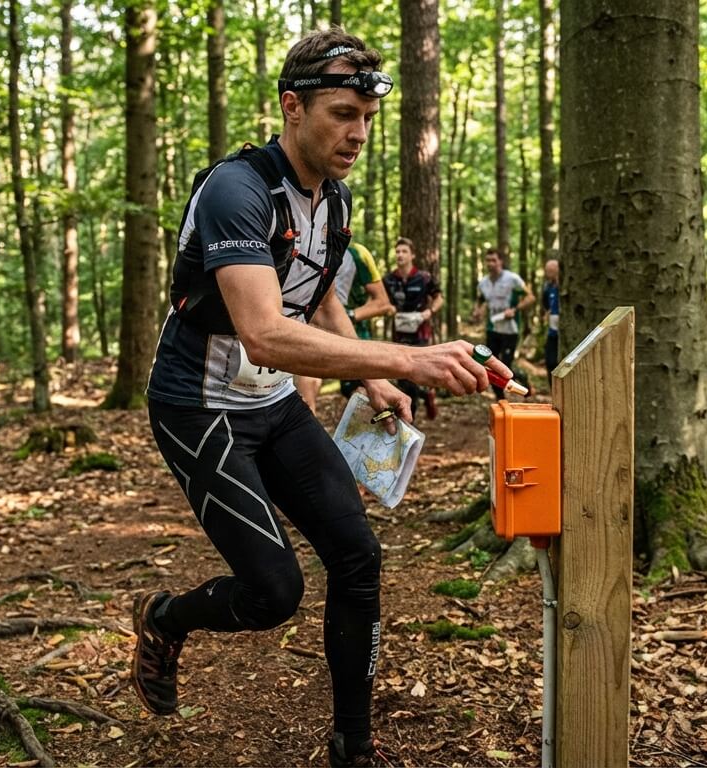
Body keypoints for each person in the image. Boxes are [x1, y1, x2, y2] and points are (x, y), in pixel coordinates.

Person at [136, 29, 511, 768]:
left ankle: (352, 746)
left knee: (358, 557)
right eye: (342, 114)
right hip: (198, 406)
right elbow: (267, 332)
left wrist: (370, 378)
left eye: (367, 119)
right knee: (274, 593)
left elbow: (315, 297)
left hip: (273, 405)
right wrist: (406, 358)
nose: (359, 134)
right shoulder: (237, 191)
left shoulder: (331, 202)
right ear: (292, 106)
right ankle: (164, 617)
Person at [294, 241, 395, 412]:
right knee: (306, 395)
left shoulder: (357, 253)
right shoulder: (300, 242)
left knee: (363, 397)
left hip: (349, 332)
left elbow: (383, 302)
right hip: (307, 328)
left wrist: (350, 315)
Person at [383, 237, 444, 418]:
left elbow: (440, 298)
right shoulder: (389, 279)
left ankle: (417, 408)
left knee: (417, 373)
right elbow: (382, 303)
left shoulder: (424, 278)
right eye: (398, 252)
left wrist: (429, 312)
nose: (400, 255)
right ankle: (421, 401)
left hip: (420, 333)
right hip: (399, 333)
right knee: (403, 378)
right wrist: (390, 309)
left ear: (413, 255)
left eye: (404, 252)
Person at [470, 248, 535, 399]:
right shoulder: (483, 283)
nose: (490, 264)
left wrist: (515, 309)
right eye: (488, 260)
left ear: (501, 261)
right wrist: (477, 311)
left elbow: (530, 297)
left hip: (510, 330)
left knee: (505, 367)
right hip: (492, 329)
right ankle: (501, 400)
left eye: (494, 260)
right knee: (489, 366)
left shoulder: (512, 279)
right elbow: (480, 300)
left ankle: (522, 377)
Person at [539, 259, 560, 383]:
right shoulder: (548, 287)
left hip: (562, 332)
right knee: (550, 361)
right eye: (547, 271)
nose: (548, 273)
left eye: (551, 270)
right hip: (552, 331)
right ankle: (553, 389)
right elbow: (545, 304)